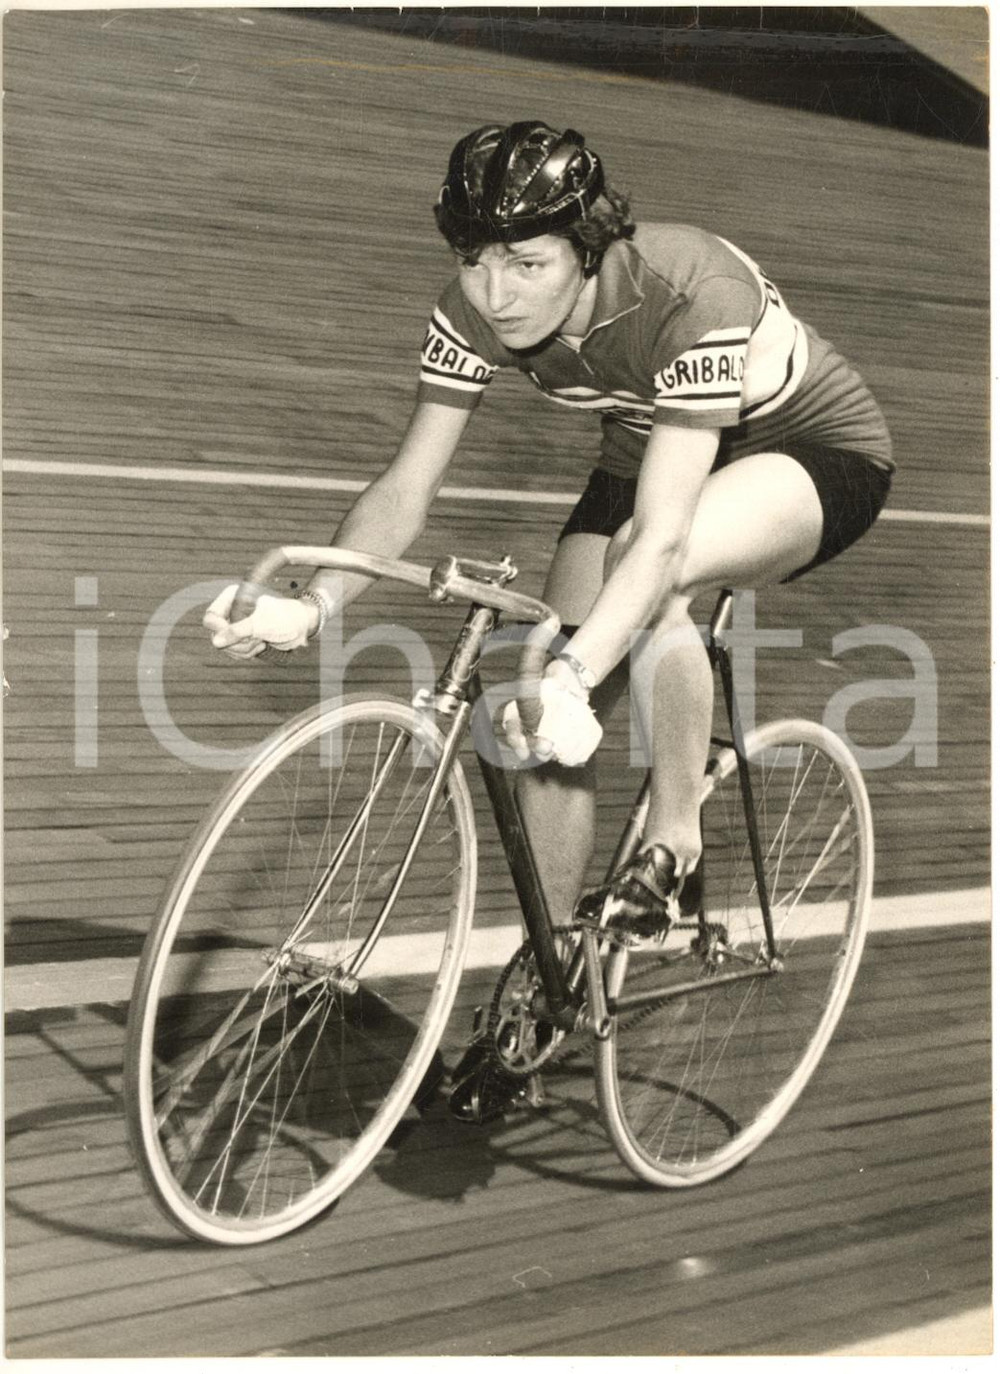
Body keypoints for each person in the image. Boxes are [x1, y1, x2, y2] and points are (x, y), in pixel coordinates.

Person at [206, 120, 893, 947]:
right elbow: (405, 486)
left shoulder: (687, 291)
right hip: (651, 450)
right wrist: (312, 605)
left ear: (590, 248)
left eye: (527, 263)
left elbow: (664, 538)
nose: (497, 295)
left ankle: (673, 844)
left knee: (648, 569)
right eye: (476, 261)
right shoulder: (472, 312)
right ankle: (553, 970)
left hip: (810, 452)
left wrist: (577, 673)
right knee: (530, 715)